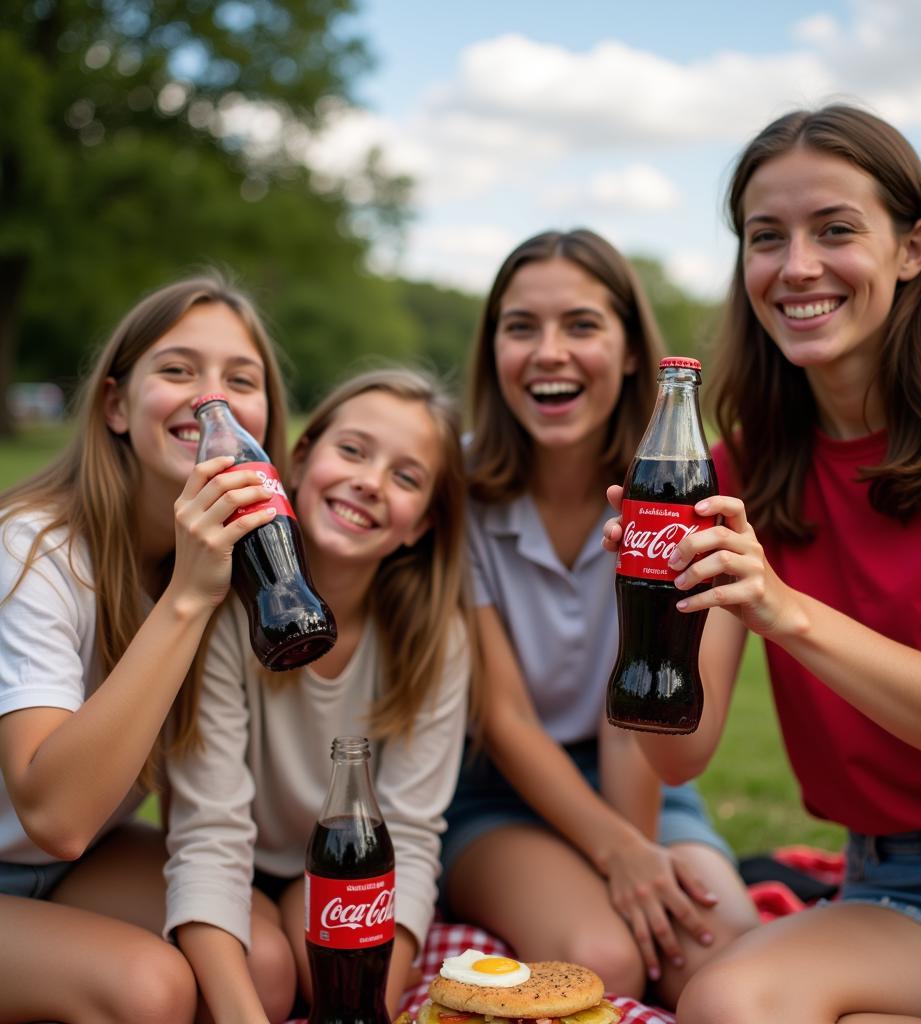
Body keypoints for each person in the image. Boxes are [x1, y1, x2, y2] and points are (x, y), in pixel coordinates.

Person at [603, 104, 921, 1024]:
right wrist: (647, 609)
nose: (796, 267)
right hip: (902, 883)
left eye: (835, 230)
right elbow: (682, 758)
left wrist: (782, 609)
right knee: (726, 1004)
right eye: (766, 237)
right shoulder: (736, 472)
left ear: (913, 249)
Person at [441, 228, 760, 1007]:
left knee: (726, 960)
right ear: (495, 354)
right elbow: (506, 716)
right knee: (601, 960)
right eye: (522, 327)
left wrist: (640, 848)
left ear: (627, 353)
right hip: (495, 789)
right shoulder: (459, 488)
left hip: (644, 772)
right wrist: (617, 852)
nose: (549, 350)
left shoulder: (679, 491)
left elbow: (645, 695)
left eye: (581, 325)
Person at [0, 272, 291, 1023]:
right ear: (115, 405)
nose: (211, 397)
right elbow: (55, 816)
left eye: (240, 378)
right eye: (177, 369)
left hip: (79, 864)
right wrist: (187, 598)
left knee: (261, 971)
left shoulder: (245, 564)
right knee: (149, 989)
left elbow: (202, 812)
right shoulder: (34, 550)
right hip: (46, 845)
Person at [163, 367, 474, 1023]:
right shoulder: (223, 612)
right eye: (353, 451)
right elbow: (208, 835)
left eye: (407, 477)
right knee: (267, 978)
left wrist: (372, 1007)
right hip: (236, 863)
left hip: (347, 874)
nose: (370, 481)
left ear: (422, 524)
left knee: (335, 969)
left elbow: (413, 838)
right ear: (295, 466)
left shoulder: (433, 639)